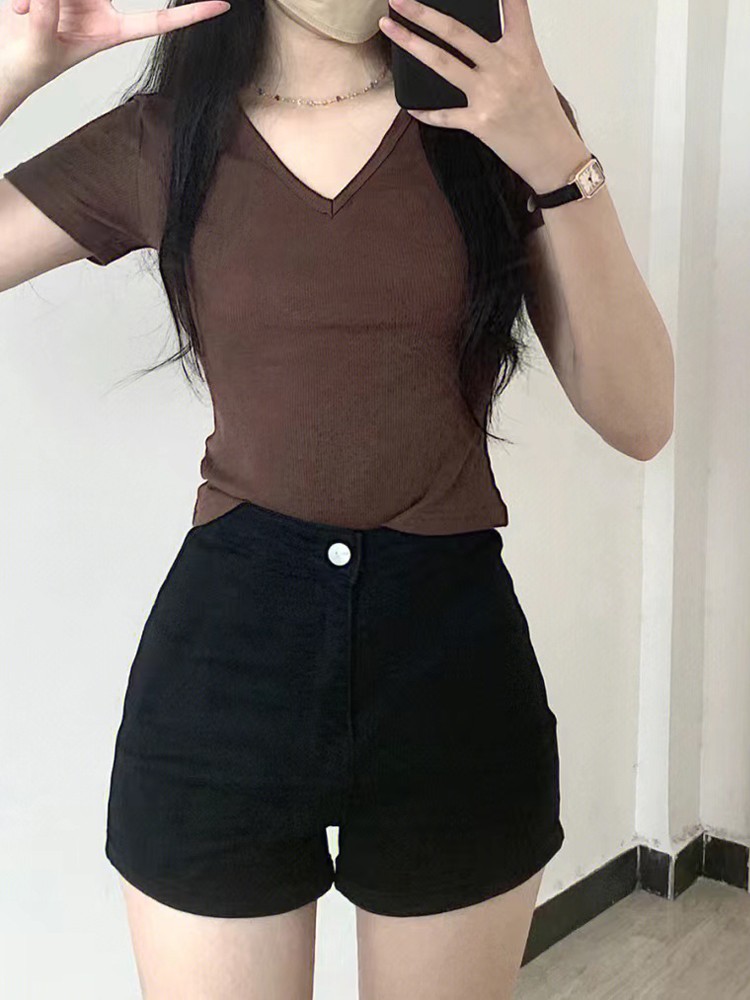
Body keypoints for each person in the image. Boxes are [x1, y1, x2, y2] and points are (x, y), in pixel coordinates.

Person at [0, 0, 674, 996]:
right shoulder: (167, 137)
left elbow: (641, 416)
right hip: (223, 672)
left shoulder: (496, 120)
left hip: (451, 669)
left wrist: (555, 155)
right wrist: (17, 73)